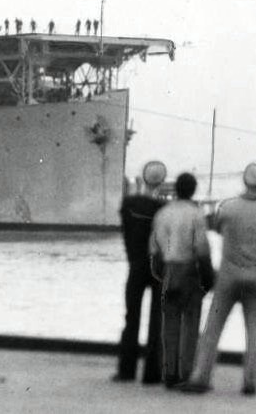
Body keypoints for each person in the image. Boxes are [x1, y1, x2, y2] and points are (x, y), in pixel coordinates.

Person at [182, 163, 256, 395]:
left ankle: (201, 376)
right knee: (254, 330)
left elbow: (214, 226)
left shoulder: (228, 207)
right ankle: (250, 381)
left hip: (229, 276)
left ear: (244, 180)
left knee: (213, 327)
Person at [149, 172, 212, 388]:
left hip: (168, 270)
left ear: (176, 189)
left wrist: (161, 273)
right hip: (189, 270)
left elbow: (154, 248)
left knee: (170, 323)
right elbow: (202, 248)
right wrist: (208, 277)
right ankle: (186, 373)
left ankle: (169, 373)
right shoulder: (196, 214)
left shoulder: (162, 214)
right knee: (190, 324)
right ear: (193, 190)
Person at [112, 161, 168, 384]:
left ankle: (126, 370)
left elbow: (125, 232)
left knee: (131, 317)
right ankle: (152, 373)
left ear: (143, 178)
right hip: (157, 268)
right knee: (156, 320)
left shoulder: (129, 203)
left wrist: (132, 257)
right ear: (162, 181)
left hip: (135, 265)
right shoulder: (163, 209)